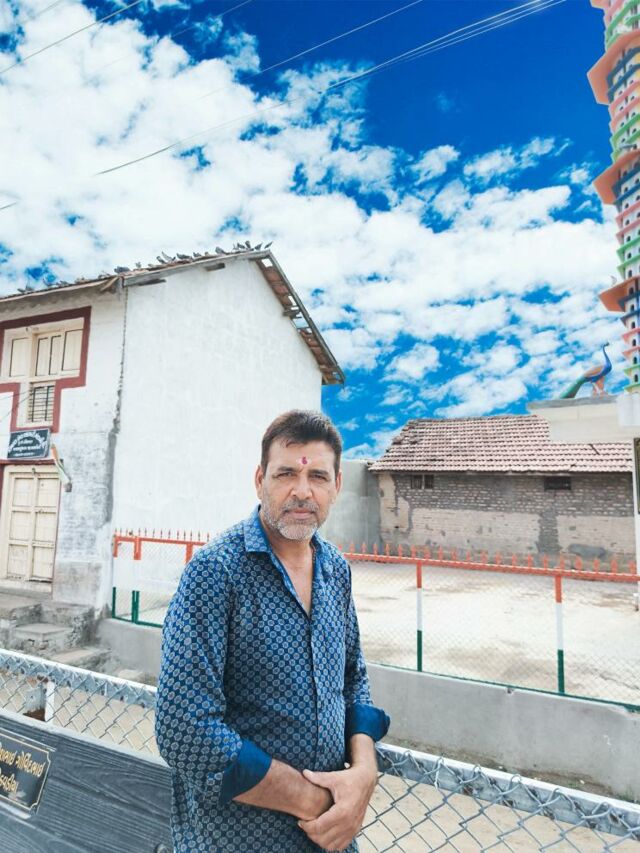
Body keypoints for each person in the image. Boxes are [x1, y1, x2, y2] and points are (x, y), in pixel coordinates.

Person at [155, 410, 390, 852]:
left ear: (337, 485)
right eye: (286, 474)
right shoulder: (216, 572)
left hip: (329, 841)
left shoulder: (335, 570)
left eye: (317, 476)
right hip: (237, 841)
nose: (302, 491)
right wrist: (314, 801)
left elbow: (353, 676)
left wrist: (363, 770)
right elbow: (183, 728)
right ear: (260, 479)